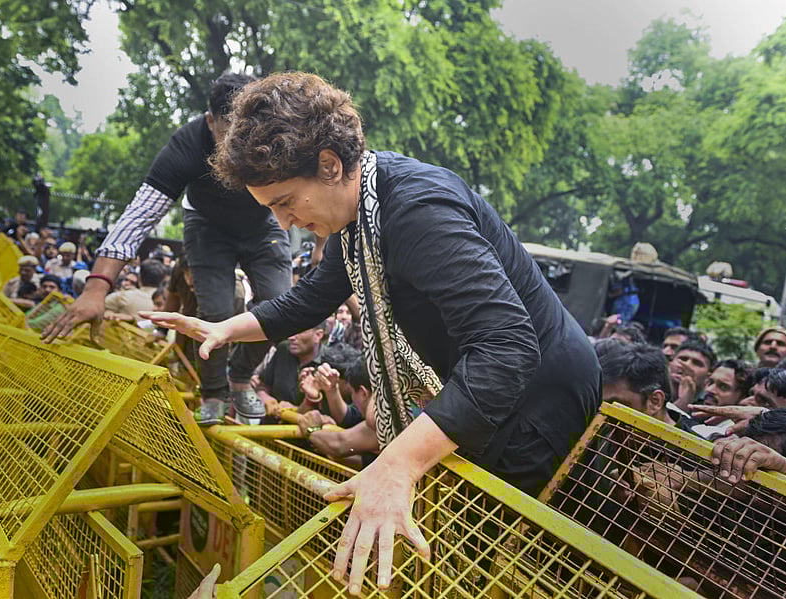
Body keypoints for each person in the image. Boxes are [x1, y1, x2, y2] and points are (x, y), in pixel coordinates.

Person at [143, 72, 601, 595]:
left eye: (287, 201)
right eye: (271, 208)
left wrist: (397, 464)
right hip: (488, 388)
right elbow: (310, 299)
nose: (284, 222)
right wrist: (227, 327)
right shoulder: (357, 216)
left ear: (330, 165)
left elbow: (507, 347)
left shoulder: (416, 211)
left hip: (539, 396)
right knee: (459, 546)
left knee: (492, 560)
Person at [42, 72, 292, 427]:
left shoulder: (277, 138)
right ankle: (214, 391)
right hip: (208, 228)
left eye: (248, 136)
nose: (239, 149)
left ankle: (240, 376)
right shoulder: (186, 146)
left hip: (263, 225)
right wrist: (97, 288)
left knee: (281, 306)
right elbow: (138, 217)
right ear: (210, 123)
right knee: (217, 311)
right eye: (228, 134)